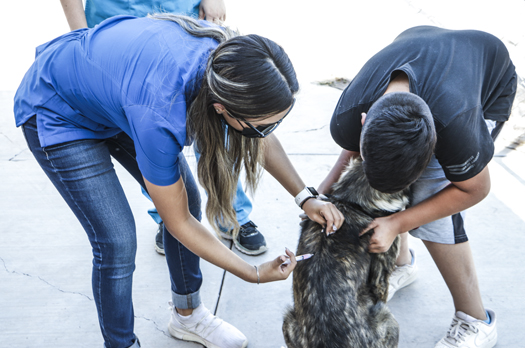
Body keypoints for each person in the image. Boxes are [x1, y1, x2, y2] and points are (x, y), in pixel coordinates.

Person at [14, 14, 344, 348]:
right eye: (261, 125)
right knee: (117, 241)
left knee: (189, 198)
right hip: (59, 108)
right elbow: (178, 222)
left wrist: (306, 197)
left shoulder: (228, 61)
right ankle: (121, 344)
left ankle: (188, 315)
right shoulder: (161, 113)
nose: (266, 134)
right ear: (221, 108)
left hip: (116, 96)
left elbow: (257, 137)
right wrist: (252, 273)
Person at [318, 26, 516, 348]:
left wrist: (398, 222)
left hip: (488, 76)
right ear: (365, 121)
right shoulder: (349, 113)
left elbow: (475, 189)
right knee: (385, 184)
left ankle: (475, 319)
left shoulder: (456, 127)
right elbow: (356, 149)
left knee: (431, 203)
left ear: (436, 142)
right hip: (425, 49)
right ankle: (402, 265)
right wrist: (321, 194)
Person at [60, 0, 269, 256]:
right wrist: (82, 36)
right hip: (118, 14)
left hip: (180, 10)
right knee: (146, 134)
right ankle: (166, 215)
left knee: (221, 112)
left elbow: (256, 127)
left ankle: (231, 214)